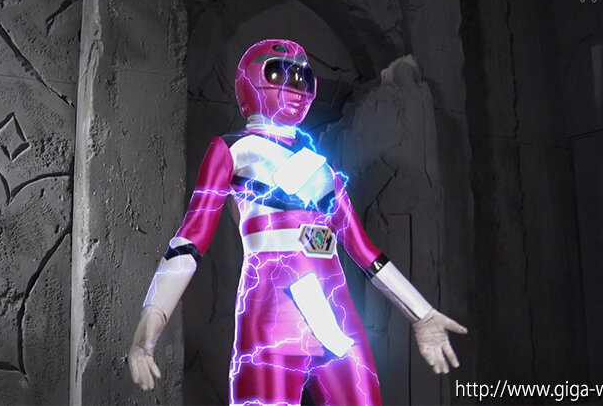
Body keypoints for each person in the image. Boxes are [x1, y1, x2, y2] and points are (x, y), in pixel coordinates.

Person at [128, 39, 467, 405]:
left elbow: (366, 253)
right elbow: (191, 239)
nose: (295, 87)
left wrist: (422, 314)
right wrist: (148, 328)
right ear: (252, 79)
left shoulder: (324, 169)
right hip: (270, 322)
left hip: (336, 324)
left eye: (303, 77)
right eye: (280, 74)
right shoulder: (233, 150)